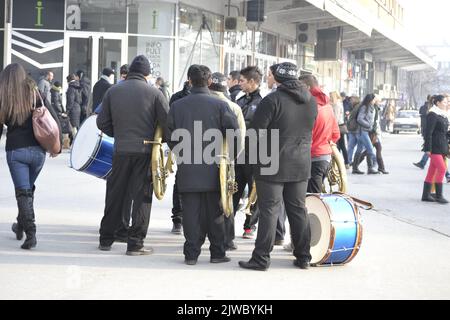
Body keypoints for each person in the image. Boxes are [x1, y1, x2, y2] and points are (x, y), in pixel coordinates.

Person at [238, 62, 317, 271]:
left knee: (269, 211)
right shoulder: (311, 101)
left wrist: (251, 161)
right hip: (300, 163)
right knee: (298, 210)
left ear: (278, 78)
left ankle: (261, 259)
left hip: (271, 163)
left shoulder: (272, 100)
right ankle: (304, 257)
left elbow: (255, 134)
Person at [96, 55, 170, 255]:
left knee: (115, 193)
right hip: (145, 152)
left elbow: (101, 122)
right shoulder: (155, 93)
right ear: (147, 74)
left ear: (129, 72)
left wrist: (118, 133)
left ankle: (106, 239)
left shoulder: (113, 91)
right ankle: (135, 243)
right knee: (141, 196)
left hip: (120, 150)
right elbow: (167, 124)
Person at [167, 64, 239, 265]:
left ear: (189, 81)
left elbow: (169, 136)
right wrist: (229, 159)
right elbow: (234, 133)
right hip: (215, 168)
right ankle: (217, 253)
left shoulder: (177, 105)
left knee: (190, 213)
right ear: (209, 82)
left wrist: (181, 153)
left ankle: (191, 255)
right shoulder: (220, 105)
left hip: (188, 167)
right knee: (215, 212)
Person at [0, 63, 61, 250]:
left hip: (16, 152)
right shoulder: (36, 94)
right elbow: (55, 120)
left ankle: (31, 235)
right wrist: (55, 147)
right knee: (27, 192)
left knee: (23, 193)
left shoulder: (4, 98)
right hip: (37, 152)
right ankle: (20, 226)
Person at [208, 72, 246, 251]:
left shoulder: (201, 103)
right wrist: (233, 158)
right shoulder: (234, 107)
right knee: (227, 200)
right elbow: (241, 137)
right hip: (225, 160)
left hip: (199, 159)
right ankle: (227, 239)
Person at [298, 75, 340, 193]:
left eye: (299, 87)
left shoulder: (307, 107)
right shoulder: (328, 107)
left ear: (307, 87)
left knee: (312, 198)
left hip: (311, 158)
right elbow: (336, 134)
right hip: (324, 157)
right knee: (315, 194)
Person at [167, 80, 192, 235]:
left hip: (201, 147)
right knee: (180, 183)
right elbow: (169, 125)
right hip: (183, 146)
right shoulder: (177, 98)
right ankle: (178, 220)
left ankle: (183, 220)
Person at [421, 95, 449, 204]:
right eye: (445, 102)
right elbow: (428, 133)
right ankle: (438, 195)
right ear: (437, 103)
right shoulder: (433, 114)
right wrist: (428, 149)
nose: (447, 104)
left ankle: (426, 195)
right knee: (442, 169)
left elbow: (445, 132)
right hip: (434, 147)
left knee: (432, 171)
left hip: (441, 147)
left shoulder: (443, 115)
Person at [351, 94, 379, 175]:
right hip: (362, 131)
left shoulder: (371, 107)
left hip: (365, 131)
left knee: (359, 149)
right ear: (370, 100)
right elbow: (360, 119)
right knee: (370, 148)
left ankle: (355, 168)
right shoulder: (364, 107)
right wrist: (368, 125)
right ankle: (372, 167)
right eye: (374, 99)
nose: (375, 101)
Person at [330, 91, 349, 167]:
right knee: (341, 145)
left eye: (331, 96)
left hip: (338, 127)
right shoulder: (337, 104)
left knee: (338, 146)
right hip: (339, 126)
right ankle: (345, 162)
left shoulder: (337, 105)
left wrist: (332, 127)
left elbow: (336, 118)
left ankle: (338, 163)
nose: (330, 98)